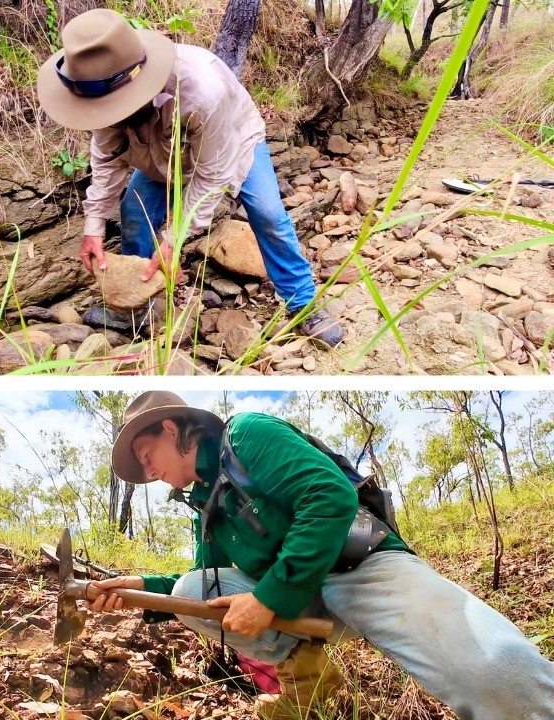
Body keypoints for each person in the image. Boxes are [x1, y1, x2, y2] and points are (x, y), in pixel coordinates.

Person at [89, 391, 554, 720]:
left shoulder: (248, 435)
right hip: (302, 604)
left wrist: (270, 596)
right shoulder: (204, 506)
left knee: (489, 668)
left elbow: (330, 496)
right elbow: (206, 585)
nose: (147, 471)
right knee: (194, 589)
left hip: (361, 567)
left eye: (147, 453)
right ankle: (308, 684)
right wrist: (142, 590)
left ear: (171, 428)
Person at [35, 9, 344, 347]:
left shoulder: (202, 90)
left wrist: (173, 241)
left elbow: (212, 176)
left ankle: (303, 305)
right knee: (135, 214)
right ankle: (136, 304)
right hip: (161, 154)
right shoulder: (101, 95)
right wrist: (93, 227)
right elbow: (107, 162)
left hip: (232, 143)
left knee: (268, 215)